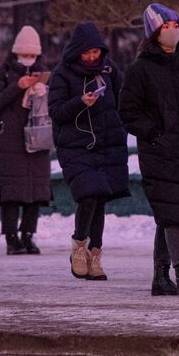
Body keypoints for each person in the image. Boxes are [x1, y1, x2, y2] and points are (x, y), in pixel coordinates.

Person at [118, 4, 179, 297]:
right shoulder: (141, 68)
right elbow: (128, 111)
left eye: (175, 25)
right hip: (160, 152)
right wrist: (154, 133)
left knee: (175, 211)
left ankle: (160, 276)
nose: (172, 31)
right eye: (166, 26)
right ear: (154, 32)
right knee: (173, 213)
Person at [48, 22, 128, 281]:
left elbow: (124, 97)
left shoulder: (109, 69)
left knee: (100, 198)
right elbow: (56, 111)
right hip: (75, 145)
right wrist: (79, 103)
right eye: (87, 53)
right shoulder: (62, 74)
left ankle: (96, 253)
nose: (92, 57)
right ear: (76, 52)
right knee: (88, 195)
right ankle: (79, 245)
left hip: (106, 144)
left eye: (96, 52)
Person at [0, 25, 53, 255]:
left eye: (32, 56)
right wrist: (18, 87)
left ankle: (28, 234)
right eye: (24, 55)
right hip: (11, 140)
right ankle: (11, 237)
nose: (28, 60)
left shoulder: (43, 72)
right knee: (11, 191)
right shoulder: (3, 71)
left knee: (36, 190)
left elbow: (54, 104)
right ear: (15, 53)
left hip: (38, 138)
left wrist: (43, 93)